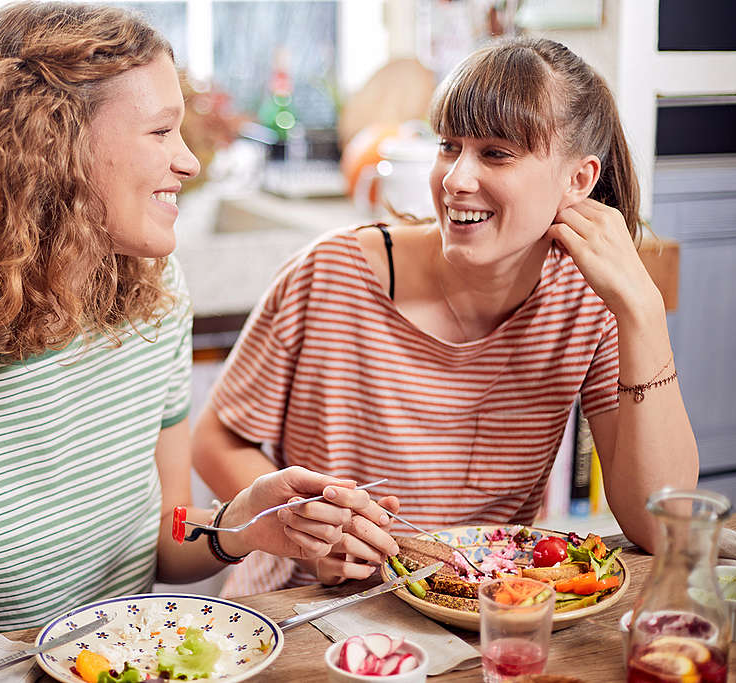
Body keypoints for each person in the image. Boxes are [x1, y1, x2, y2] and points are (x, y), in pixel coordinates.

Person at [0, 2, 391, 653]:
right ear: (53, 145)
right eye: (160, 131)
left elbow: (165, 546)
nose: (188, 162)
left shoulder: (155, 296)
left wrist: (244, 522)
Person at [193, 36, 699, 595]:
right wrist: (305, 531)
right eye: (449, 146)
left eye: (496, 153)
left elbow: (658, 524)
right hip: (308, 609)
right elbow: (216, 441)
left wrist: (643, 312)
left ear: (578, 181)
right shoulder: (331, 272)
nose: (456, 179)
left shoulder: (585, 304)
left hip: (483, 615)